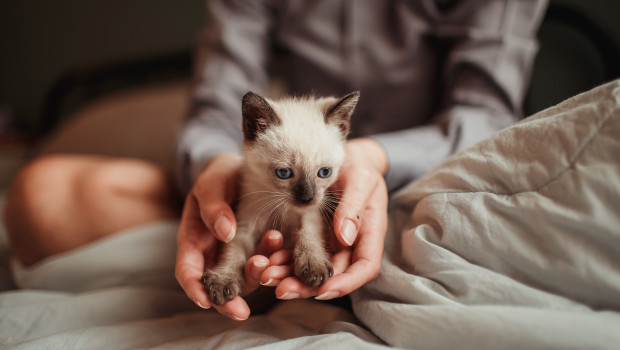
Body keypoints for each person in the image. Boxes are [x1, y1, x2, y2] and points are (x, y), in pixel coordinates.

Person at [3, 0, 548, 322]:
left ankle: (291, 277)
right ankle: (267, 272)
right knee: (41, 194)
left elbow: (488, 118)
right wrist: (214, 168)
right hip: (267, 178)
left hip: (418, 179)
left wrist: (373, 158)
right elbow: (217, 105)